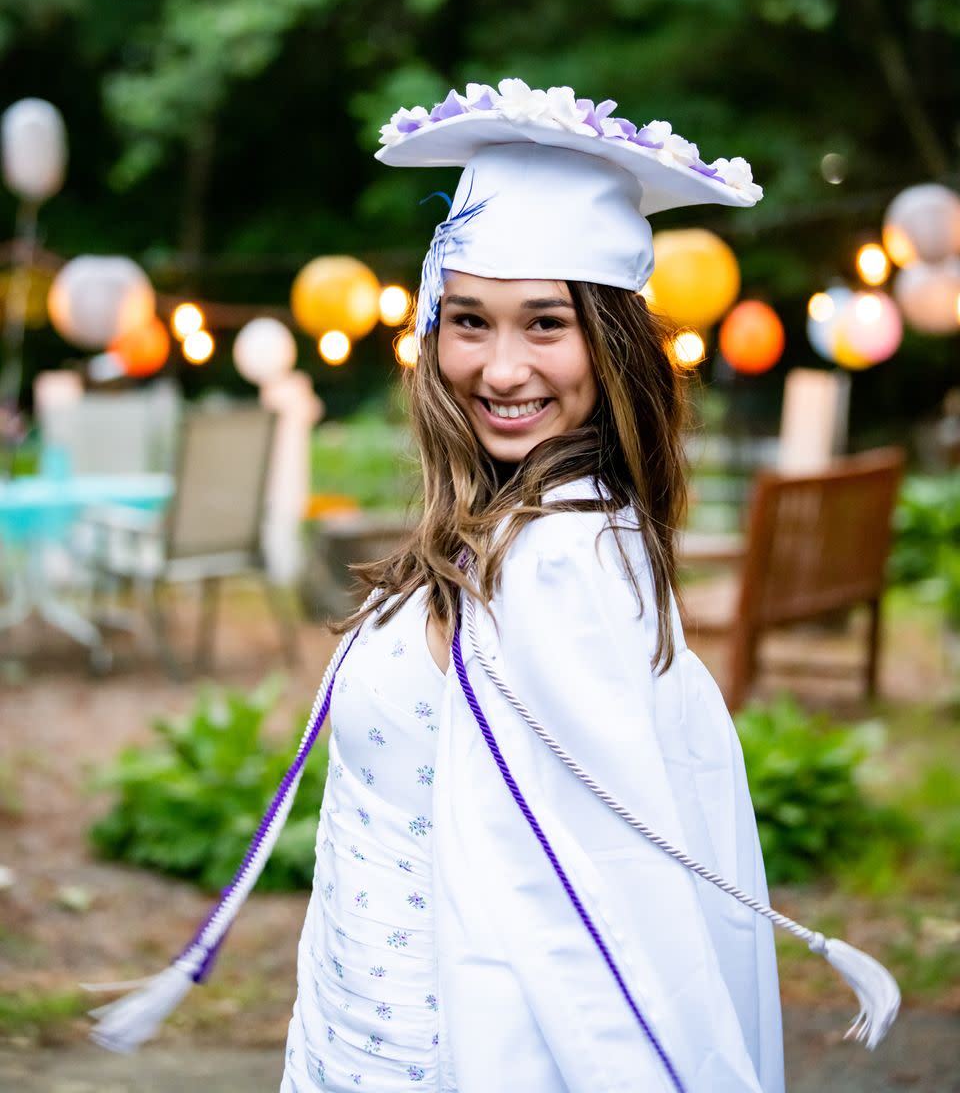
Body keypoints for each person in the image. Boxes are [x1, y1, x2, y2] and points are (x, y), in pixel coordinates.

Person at [89, 79, 898, 1090]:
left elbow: (599, 912)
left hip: (443, 1055)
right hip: (365, 1027)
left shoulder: (555, 564)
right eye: (469, 320)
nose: (501, 367)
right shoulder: (511, 523)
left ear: (608, 346)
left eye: (545, 324)